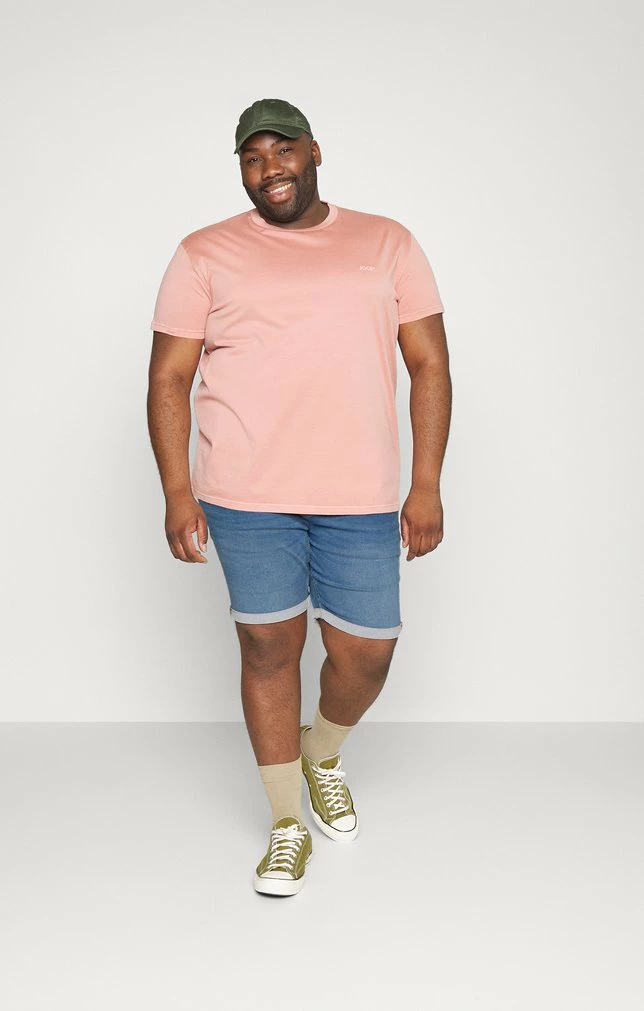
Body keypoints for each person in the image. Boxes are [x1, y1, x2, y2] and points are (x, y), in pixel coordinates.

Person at [146, 98, 452, 897]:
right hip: (245, 494)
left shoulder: (387, 242)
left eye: (282, 150)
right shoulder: (203, 253)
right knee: (267, 650)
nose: (269, 168)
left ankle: (321, 753)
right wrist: (177, 489)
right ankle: (287, 823)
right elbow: (170, 376)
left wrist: (426, 483)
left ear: (315, 151)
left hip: (359, 493)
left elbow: (429, 364)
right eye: (252, 158)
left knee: (368, 652)